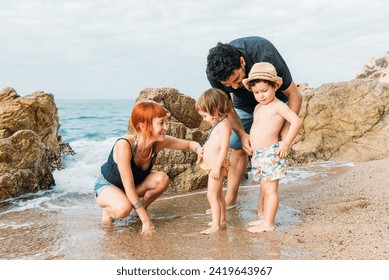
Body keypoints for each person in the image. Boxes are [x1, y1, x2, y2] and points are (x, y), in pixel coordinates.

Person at [206, 36, 303, 217]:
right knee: (236, 145)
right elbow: (227, 106)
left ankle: (264, 206)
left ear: (242, 62)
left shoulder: (264, 53)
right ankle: (231, 199)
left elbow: (294, 95)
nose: (235, 86)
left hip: (276, 99)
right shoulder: (214, 73)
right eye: (229, 85)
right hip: (244, 106)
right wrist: (242, 134)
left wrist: (284, 132)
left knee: (269, 148)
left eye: (237, 79)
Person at [93, 101, 203, 235]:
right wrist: (146, 221)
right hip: (108, 185)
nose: (166, 127)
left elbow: (189, 144)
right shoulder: (125, 145)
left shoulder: (158, 143)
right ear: (143, 126)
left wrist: (199, 150)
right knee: (123, 210)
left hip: (134, 186)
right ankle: (108, 209)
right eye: (161, 123)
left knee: (162, 179)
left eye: (166, 122)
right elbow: (129, 187)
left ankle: (140, 209)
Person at [242, 62, 302, 232]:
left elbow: (296, 121)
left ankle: (268, 223)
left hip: (271, 152)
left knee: (270, 190)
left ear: (275, 86)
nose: (260, 95)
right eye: (256, 92)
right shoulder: (258, 107)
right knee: (263, 187)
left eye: (264, 91)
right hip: (259, 154)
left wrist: (286, 143)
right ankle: (264, 219)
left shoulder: (278, 106)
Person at [195, 88, 232, 234]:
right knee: (219, 195)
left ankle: (216, 225)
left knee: (212, 195)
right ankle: (221, 220)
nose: (204, 119)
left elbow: (224, 147)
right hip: (213, 165)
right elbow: (212, 143)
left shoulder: (224, 125)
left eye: (205, 115)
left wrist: (216, 167)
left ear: (215, 109)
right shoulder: (219, 123)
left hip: (217, 165)